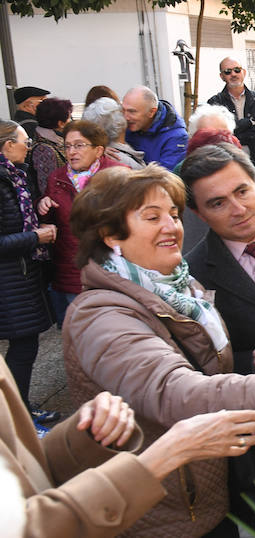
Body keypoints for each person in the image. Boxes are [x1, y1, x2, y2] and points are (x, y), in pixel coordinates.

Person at [63, 163, 255, 536]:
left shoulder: (175, 287)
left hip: (206, 488)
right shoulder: (102, 314)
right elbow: (173, 390)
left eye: (172, 214)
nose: (171, 227)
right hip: (162, 508)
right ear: (111, 234)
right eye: (152, 217)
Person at [1, 349, 255, 538]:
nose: (182, 260)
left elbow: (26, 473)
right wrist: (162, 457)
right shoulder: (99, 312)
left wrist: (83, 437)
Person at [0, 120, 58, 435]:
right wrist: (36, 237)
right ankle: (19, 423)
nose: (29, 146)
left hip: (18, 276)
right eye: (24, 141)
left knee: (27, 348)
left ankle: (21, 407)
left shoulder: (14, 177)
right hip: (8, 279)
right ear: (7, 145)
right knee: (22, 349)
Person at [38, 120, 126, 326]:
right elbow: (50, 223)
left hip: (113, 267)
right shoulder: (57, 178)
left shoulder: (119, 174)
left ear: (98, 150)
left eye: (79, 145)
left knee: (113, 330)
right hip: (73, 268)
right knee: (80, 332)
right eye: (67, 146)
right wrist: (43, 207)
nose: (71, 152)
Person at [122, 86, 188, 171]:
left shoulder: (176, 137)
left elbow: (165, 177)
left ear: (152, 112)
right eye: (123, 110)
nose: (125, 117)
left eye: (132, 112)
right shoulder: (125, 123)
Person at [206, 57, 255, 147]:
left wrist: (236, 135)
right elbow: (217, 132)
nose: (233, 74)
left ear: (244, 72)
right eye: (228, 71)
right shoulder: (215, 103)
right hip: (228, 154)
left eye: (237, 70)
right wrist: (248, 122)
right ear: (222, 76)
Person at [82, 97, 146, 170]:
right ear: (118, 123)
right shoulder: (123, 161)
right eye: (122, 112)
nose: (127, 116)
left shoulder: (96, 156)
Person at [30, 97, 72, 195]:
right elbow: (47, 188)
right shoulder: (44, 149)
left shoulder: (56, 140)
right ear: (60, 123)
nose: (70, 121)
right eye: (69, 118)